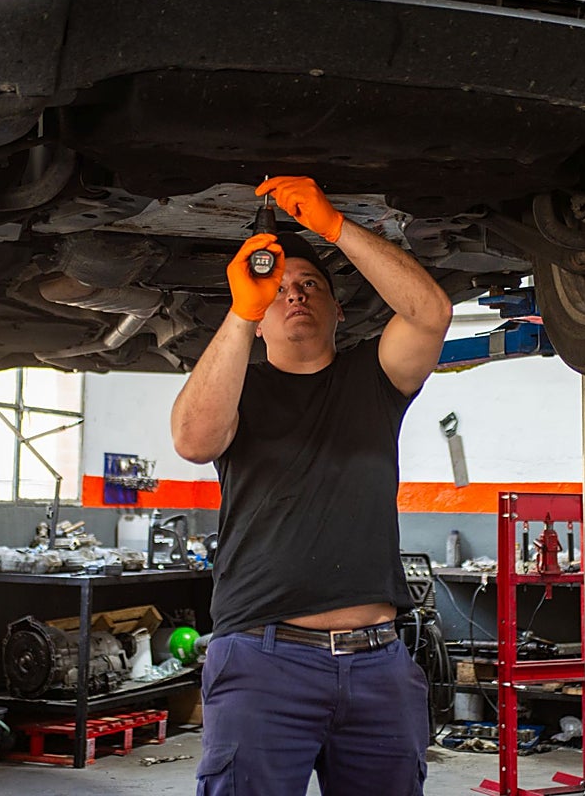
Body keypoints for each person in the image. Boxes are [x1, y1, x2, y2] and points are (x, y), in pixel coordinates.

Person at [171, 175, 453, 795]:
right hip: (262, 662)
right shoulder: (238, 389)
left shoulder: (374, 379)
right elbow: (193, 440)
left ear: (337, 310)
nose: (294, 295)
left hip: (378, 666)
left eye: (310, 286)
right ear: (261, 316)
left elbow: (431, 314)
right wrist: (242, 309)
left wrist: (334, 227)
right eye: (278, 290)